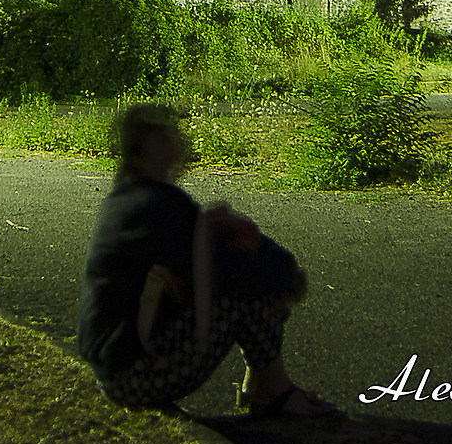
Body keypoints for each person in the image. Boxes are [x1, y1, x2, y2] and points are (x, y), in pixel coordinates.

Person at [77, 103, 337, 419]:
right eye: (159, 134)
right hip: (133, 375)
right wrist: (284, 273)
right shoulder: (148, 206)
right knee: (248, 292)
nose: (172, 135)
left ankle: (262, 382)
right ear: (139, 154)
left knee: (250, 265)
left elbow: (205, 248)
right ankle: (273, 390)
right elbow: (219, 269)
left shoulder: (141, 198)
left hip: (124, 368)